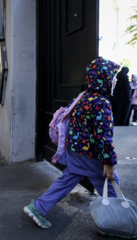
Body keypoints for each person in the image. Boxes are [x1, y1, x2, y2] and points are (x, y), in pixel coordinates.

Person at [24, 57, 120, 229]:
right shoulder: (101, 103)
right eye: (114, 77)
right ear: (105, 79)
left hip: (75, 150)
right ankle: (119, 222)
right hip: (91, 154)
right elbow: (104, 136)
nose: (115, 80)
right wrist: (108, 161)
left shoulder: (84, 97)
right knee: (110, 183)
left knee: (67, 180)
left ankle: (38, 207)